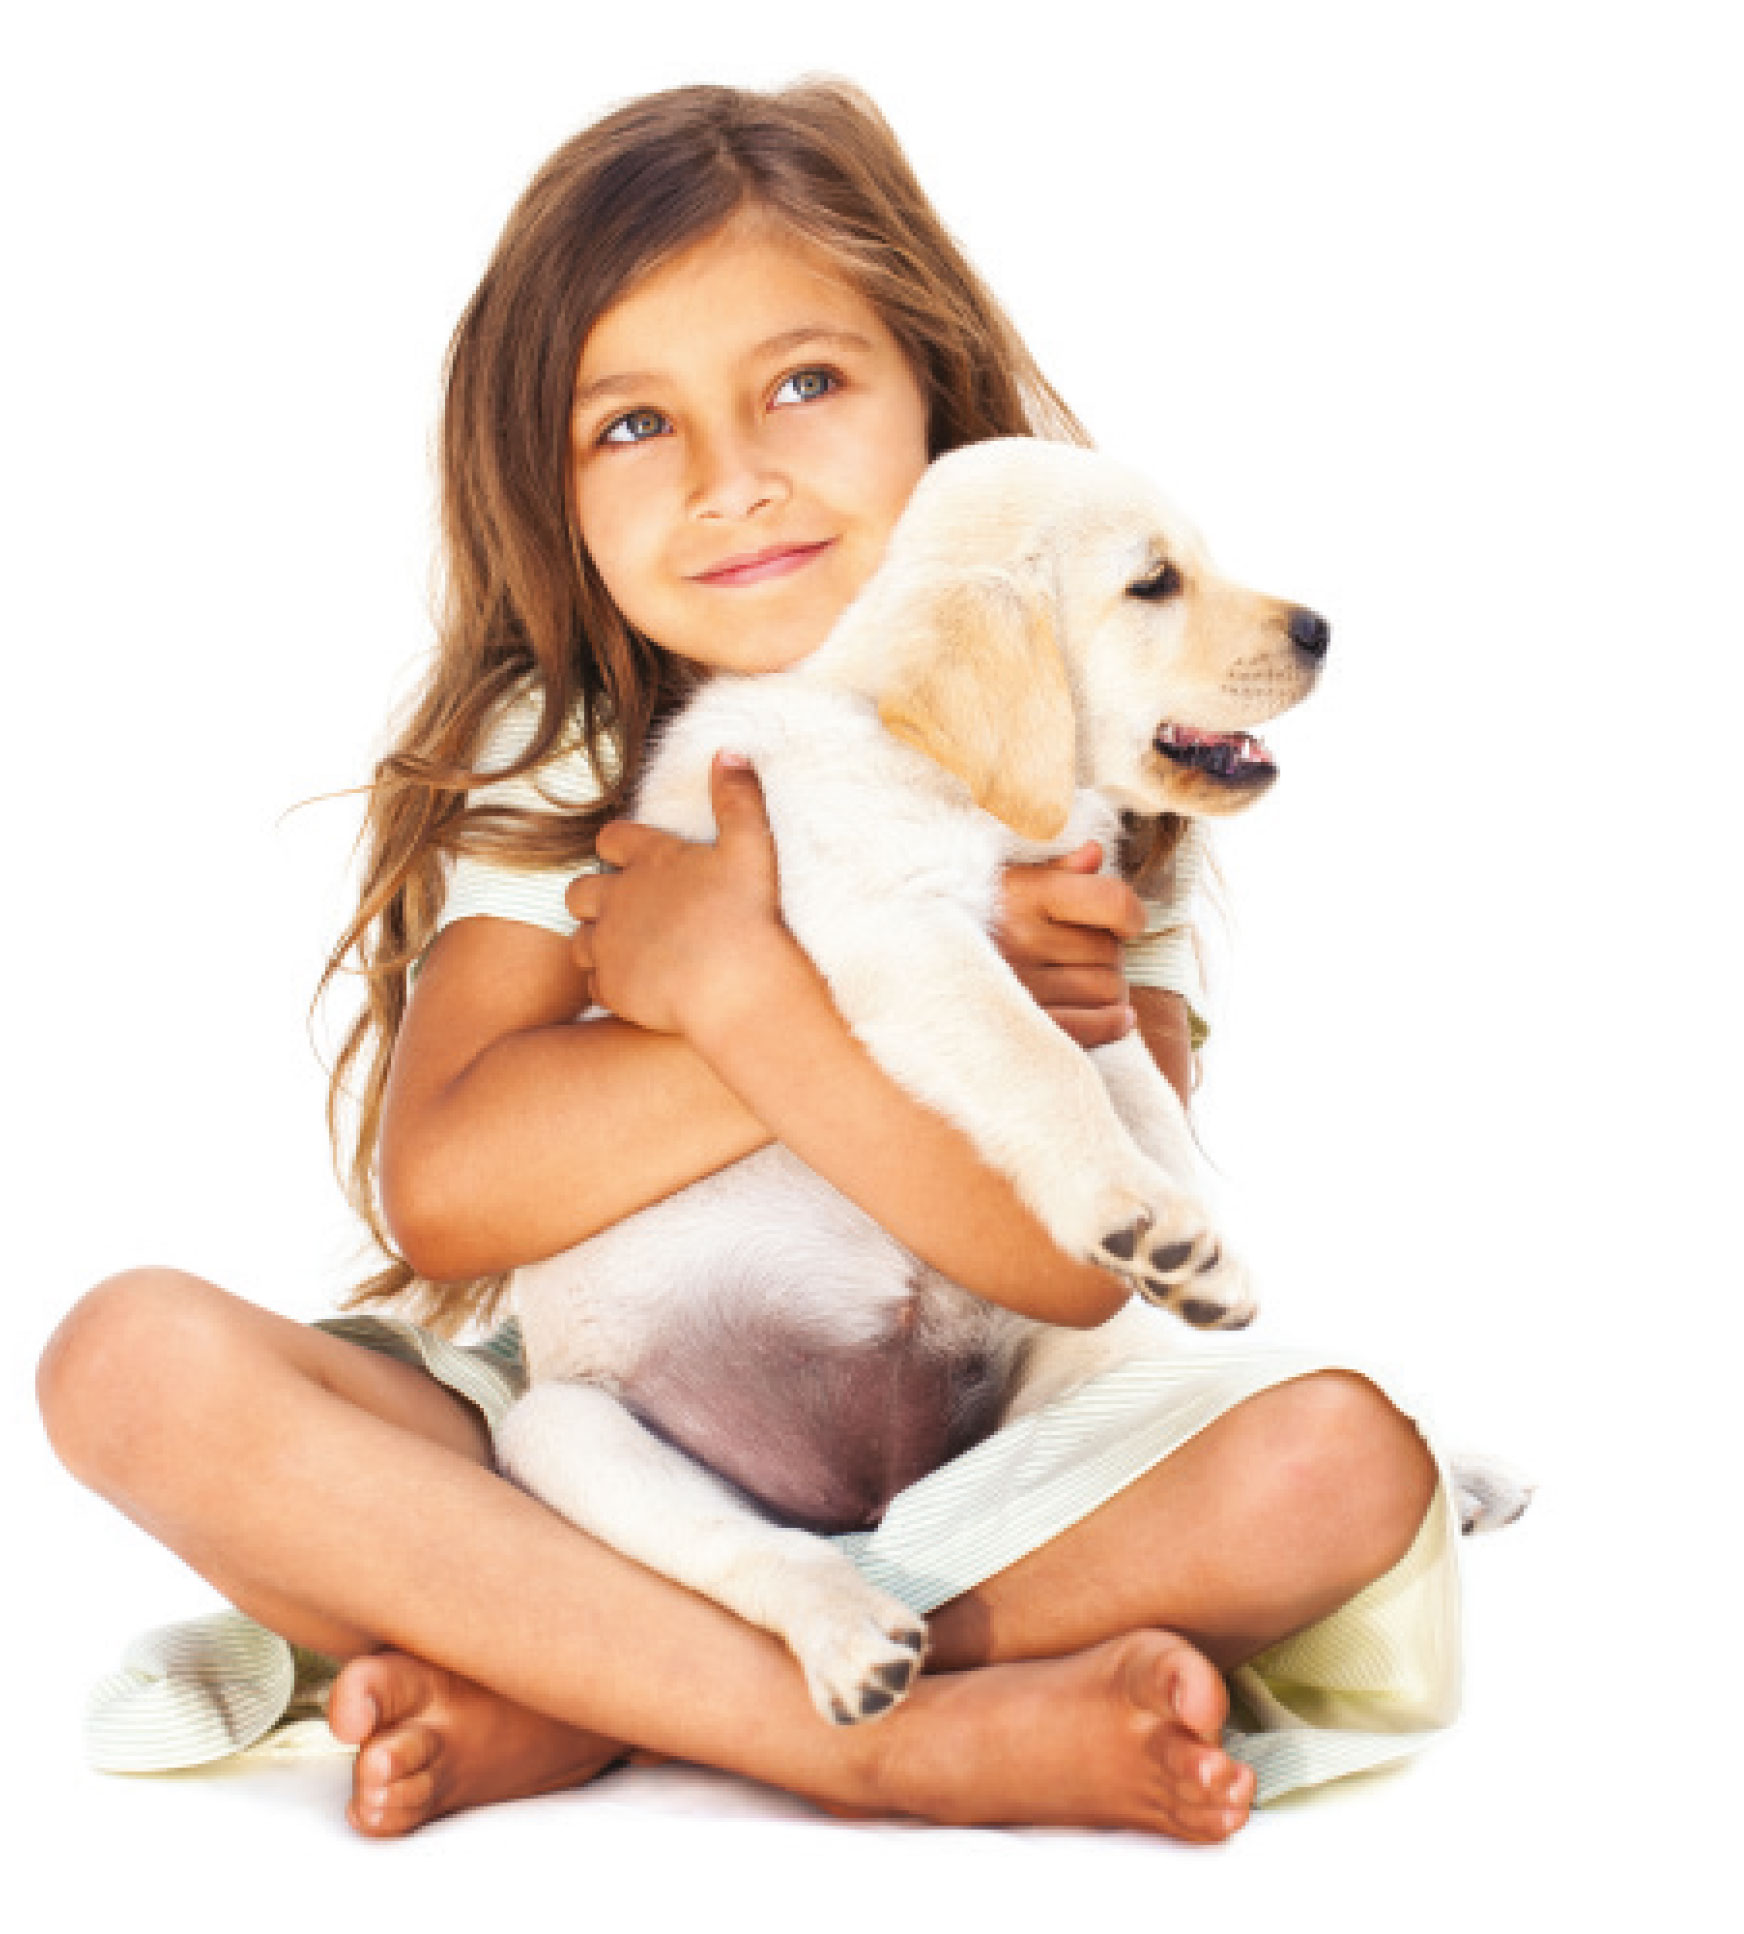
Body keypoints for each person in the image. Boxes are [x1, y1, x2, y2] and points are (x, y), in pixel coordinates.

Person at [36, 76, 1458, 1847]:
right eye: (633, 423)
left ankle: (588, 1683)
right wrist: (818, 984)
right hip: (605, 1451)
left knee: (1338, 1466)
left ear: (934, 394)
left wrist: (749, 983)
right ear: (548, 489)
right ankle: (875, 1736)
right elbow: (453, 1194)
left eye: (804, 383)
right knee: (129, 1361)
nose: (734, 479)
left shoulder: (1099, 737)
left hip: (984, 1474)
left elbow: (1075, 1271)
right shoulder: (561, 744)